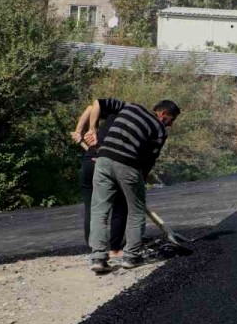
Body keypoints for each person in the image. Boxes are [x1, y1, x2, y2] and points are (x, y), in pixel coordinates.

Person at [73, 97, 180, 275]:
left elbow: (97, 103)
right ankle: (131, 257)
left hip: (103, 160)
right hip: (128, 165)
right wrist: (139, 184)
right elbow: (148, 162)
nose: (170, 124)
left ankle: (99, 258)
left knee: (99, 210)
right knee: (136, 211)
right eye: (171, 119)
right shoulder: (159, 129)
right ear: (163, 114)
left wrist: (92, 129)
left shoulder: (130, 107)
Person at [77, 121, 128, 258]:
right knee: (120, 205)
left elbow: (90, 108)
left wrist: (80, 132)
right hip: (105, 165)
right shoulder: (121, 127)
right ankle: (115, 249)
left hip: (89, 162)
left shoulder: (100, 125)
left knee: (91, 207)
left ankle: (94, 247)